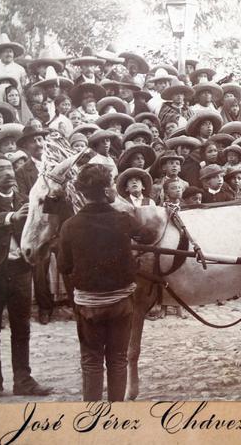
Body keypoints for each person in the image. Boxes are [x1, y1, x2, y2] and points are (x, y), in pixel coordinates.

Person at [57, 163, 155, 401]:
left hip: (89, 304)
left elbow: (64, 267)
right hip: (121, 302)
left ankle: (92, 416)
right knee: (117, 359)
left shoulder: (69, 226)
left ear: (82, 192)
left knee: (91, 361)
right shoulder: (122, 219)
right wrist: (118, 203)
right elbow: (148, 235)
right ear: (107, 192)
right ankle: (115, 413)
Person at [0, 153, 53, 400]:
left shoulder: (25, 199)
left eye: (9, 168)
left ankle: (23, 380)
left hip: (20, 271)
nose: (7, 173)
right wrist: (10, 217)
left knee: (22, 328)